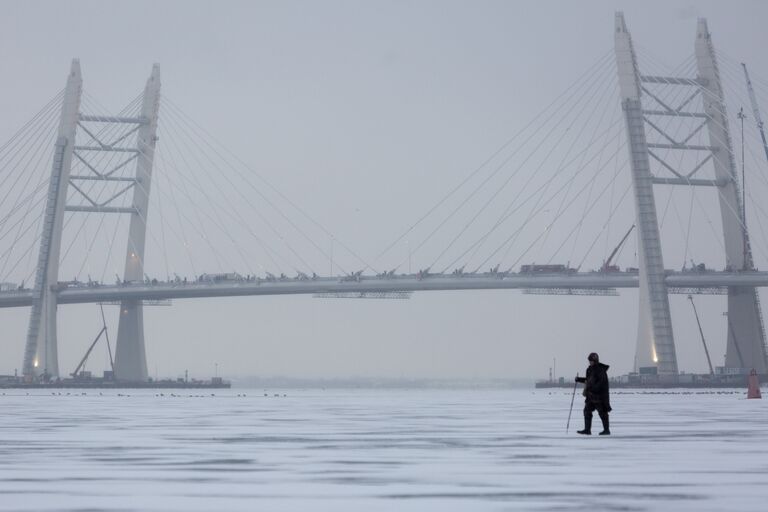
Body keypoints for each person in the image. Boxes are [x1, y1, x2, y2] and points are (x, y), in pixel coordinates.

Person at [575, 352, 611, 435]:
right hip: (590, 396)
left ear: (595, 360)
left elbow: (601, 383)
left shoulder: (600, 370)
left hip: (599, 397)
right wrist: (578, 379)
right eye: (589, 361)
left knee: (602, 413)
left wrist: (594, 389)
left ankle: (606, 430)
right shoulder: (589, 370)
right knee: (586, 411)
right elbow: (588, 380)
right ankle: (587, 430)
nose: (590, 362)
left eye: (591, 361)